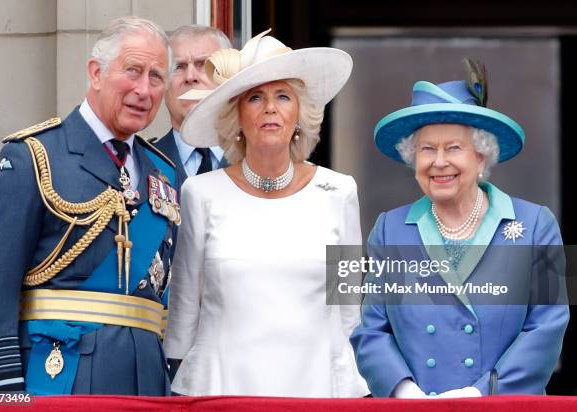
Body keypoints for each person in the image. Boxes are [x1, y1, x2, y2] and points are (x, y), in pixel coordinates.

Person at [0, 16, 179, 395]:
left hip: (146, 384)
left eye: (156, 77)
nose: (144, 90)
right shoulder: (33, 157)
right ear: (95, 73)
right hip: (59, 379)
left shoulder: (163, 174)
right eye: (132, 71)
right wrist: (2, 394)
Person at [164, 30, 369, 397]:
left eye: (283, 96)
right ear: (237, 116)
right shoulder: (200, 192)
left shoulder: (340, 192)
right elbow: (183, 311)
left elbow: (348, 308)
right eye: (255, 97)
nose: (270, 108)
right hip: (221, 389)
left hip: (317, 388)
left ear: (300, 114)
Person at [350, 61, 569, 398]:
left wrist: (480, 395)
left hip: (500, 407)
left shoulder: (538, 224)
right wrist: (404, 392)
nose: (439, 162)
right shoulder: (388, 229)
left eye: (453, 148)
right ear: (413, 159)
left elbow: (549, 326)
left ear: (481, 157)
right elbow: (370, 330)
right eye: (427, 149)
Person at [153, 25, 231, 194]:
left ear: (228, 78)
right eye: (178, 67)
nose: (190, 77)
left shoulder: (255, 159)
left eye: (203, 64)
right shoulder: (143, 162)